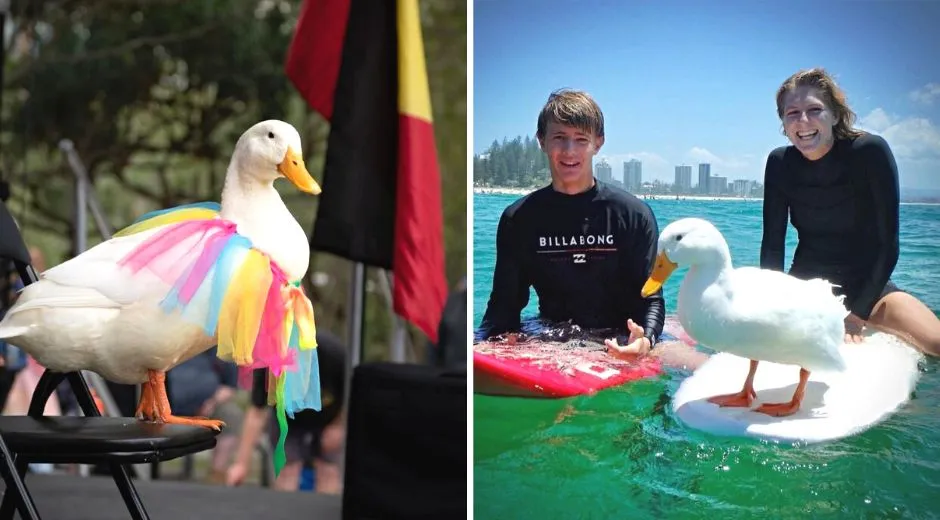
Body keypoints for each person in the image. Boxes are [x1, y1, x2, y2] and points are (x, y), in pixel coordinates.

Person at [477, 88, 705, 369]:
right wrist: (483, 345)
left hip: (625, 334)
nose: (569, 151)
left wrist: (645, 339)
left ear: (598, 143)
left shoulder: (632, 215)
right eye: (559, 137)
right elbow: (504, 305)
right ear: (542, 141)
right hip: (551, 336)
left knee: (700, 369)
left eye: (581, 139)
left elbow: (650, 299)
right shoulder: (520, 219)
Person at [761, 67, 940, 356]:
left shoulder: (868, 151)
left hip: (870, 290)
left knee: (937, 343)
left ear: (834, 115)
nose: (803, 121)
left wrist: (857, 315)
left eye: (814, 110)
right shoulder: (780, 163)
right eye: (792, 113)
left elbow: (888, 245)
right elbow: (772, 245)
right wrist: (771, 306)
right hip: (806, 288)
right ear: (783, 121)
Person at [225, 330, 346, 493]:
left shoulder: (335, 357)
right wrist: (241, 464)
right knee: (287, 472)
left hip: (329, 421)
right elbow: (256, 414)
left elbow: (353, 399)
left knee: (329, 473)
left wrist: (339, 426)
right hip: (287, 422)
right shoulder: (267, 364)